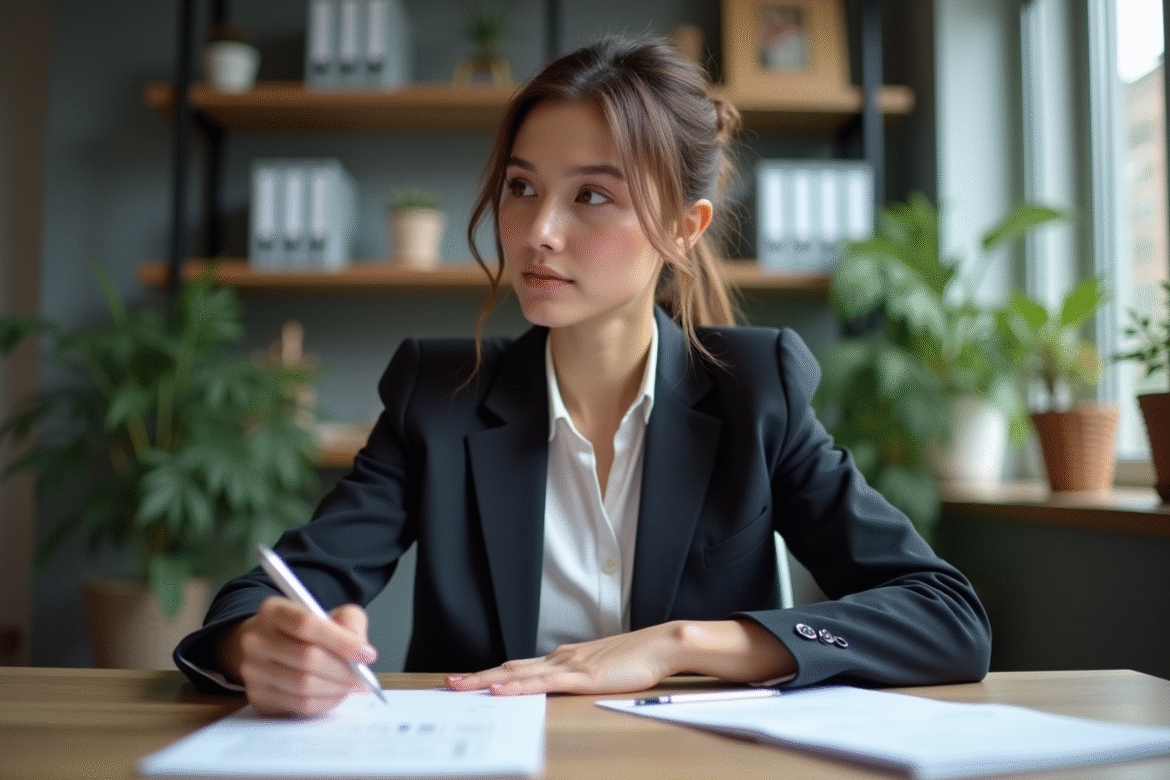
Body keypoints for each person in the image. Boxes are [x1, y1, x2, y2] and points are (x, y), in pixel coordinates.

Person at [174, 35, 991, 717]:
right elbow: (259, 599)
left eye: (592, 196)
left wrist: (677, 645)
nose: (538, 232)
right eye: (522, 188)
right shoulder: (438, 395)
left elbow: (946, 617)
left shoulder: (755, 392)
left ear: (683, 226)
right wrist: (263, 649)